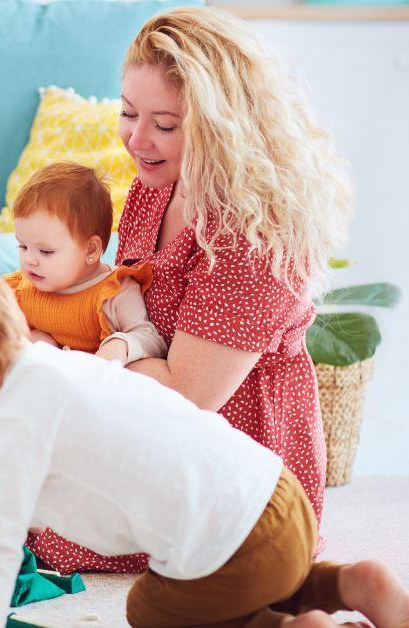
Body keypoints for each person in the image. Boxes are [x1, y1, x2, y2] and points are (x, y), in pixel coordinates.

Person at [0, 240, 409, 628]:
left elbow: (2, 545)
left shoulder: (12, 418)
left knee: (153, 609)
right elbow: (43, 494)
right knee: (251, 574)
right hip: (275, 498)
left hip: (233, 544)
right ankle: (350, 585)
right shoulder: (54, 365)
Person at [30, 5, 354, 574]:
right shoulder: (156, 187)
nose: (136, 139)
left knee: (44, 532)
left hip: (232, 459)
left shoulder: (257, 234)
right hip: (150, 418)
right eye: (129, 113)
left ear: (222, 125)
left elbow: (185, 396)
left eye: (165, 124)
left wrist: (55, 357)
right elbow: (124, 309)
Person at [5, 162, 166, 365]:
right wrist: (29, 337)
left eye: (46, 251)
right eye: (23, 246)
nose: (29, 260)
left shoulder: (115, 292)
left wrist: (121, 344)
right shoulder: (21, 288)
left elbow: (152, 340)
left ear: (90, 250)